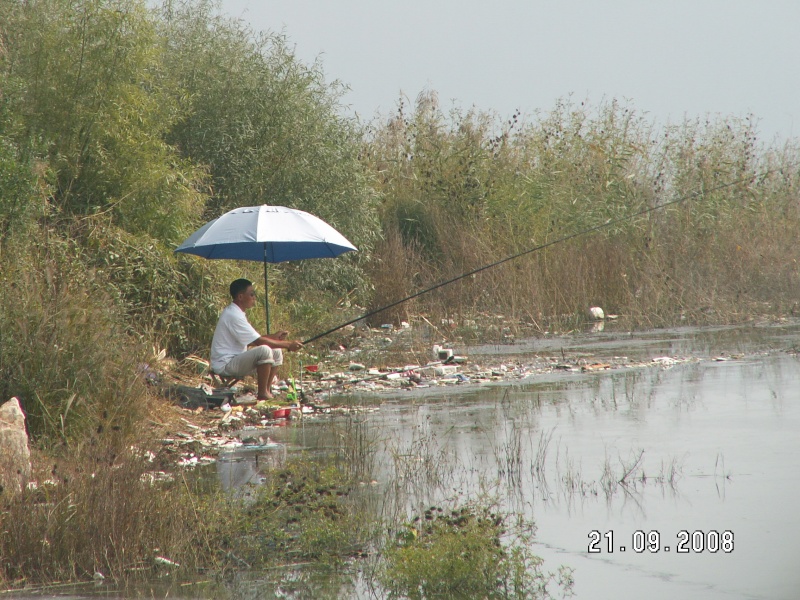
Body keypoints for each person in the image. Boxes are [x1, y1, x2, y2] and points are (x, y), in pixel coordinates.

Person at [210, 278, 303, 400]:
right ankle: (262, 393)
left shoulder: (237, 313)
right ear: (240, 297)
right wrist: (288, 344)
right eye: (251, 294)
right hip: (225, 364)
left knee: (276, 351)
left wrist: (274, 337)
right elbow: (259, 342)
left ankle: (266, 390)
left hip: (236, 359)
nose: (254, 298)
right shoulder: (233, 315)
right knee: (265, 350)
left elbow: (252, 340)